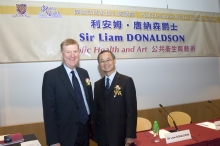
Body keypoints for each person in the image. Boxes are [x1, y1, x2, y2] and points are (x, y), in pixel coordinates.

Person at [42, 38, 93, 146]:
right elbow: (49, 113)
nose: (72, 55)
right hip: (65, 136)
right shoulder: (51, 77)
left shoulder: (84, 73)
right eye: (68, 52)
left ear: (79, 53)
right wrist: (53, 141)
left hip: (86, 130)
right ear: (61, 54)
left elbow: (89, 101)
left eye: (75, 51)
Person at [93, 50, 137, 146]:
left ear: (114, 61)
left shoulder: (126, 81)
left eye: (108, 60)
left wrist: (130, 135)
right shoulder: (97, 84)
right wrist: (95, 133)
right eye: (102, 61)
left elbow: (131, 111)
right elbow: (96, 111)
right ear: (99, 64)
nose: (106, 63)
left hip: (120, 134)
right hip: (102, 136)